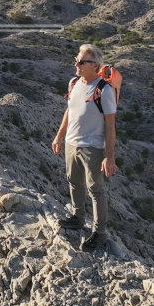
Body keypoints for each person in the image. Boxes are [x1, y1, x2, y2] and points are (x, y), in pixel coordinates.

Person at [52, 43, 117, 251]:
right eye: (76, 59)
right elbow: (69, 112)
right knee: (74, 182)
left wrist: (109, 156)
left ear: (95, 65)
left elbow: (110, 125)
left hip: (92, 147)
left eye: (82, 61)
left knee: (95, 190)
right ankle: (78, 217)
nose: (76, 64)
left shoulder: (103, 90)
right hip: (72, 142)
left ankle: (99, 233)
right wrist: (59, 136)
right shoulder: (74, 83)